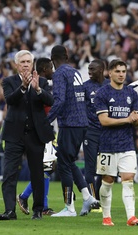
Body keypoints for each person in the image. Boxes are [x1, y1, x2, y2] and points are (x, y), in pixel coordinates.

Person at [0, 51, 54, 221]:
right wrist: (23, 87)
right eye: (22, 61)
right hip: (14, 134)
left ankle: (38, 210)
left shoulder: (42, 81)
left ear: (32, 63)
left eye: (29, 61)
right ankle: (10, 210)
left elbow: (50, 100)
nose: (25, 64)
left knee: (37, 173)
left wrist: (37, 89)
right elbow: (10, 100)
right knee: (9, 173)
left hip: (35, 134)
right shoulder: (8, 81)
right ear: (16, 65)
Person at [47, 45, 97, 217]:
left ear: (52, 59)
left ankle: (69, 207)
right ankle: (87, 196)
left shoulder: (59, 73)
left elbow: (59, 100)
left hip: (70, 124)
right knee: (68, 161)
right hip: (82, 123)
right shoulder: (75, 71)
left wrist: (47, 120)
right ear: (66, 56)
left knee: (63, 164)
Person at [94, 59, 138, 226]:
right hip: (107, 145)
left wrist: (136, 119)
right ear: (109, 73)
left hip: (127, 144)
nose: (121, 74)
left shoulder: (131, 93)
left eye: (123, 71)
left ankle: (131, 217)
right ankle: (106, 217)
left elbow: (135, 121)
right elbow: (104, 121)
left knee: (128, 179)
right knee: (107, 182)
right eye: (118, 71)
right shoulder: (102, 94)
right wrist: (128, 119)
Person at [16, 57, 56, 216]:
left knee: (47, 168)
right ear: (44, 69)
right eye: (51, 68)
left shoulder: (43, 84)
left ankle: (36, 202)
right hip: (40, 131)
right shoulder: (42, 83)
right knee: (44, 168)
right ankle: (27, 198)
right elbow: (50, 105)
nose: (53, 71)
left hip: (46, 130)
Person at [83, 59, 108, 212]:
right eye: (88, 68)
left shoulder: (109, 86)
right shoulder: (85, 87)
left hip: (107, 131)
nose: (89, 71)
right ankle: (93, 201)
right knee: (90, 168)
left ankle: (98, 198)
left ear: (101, 69)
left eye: (92, 69)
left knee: (104, 168)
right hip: (90, 131)